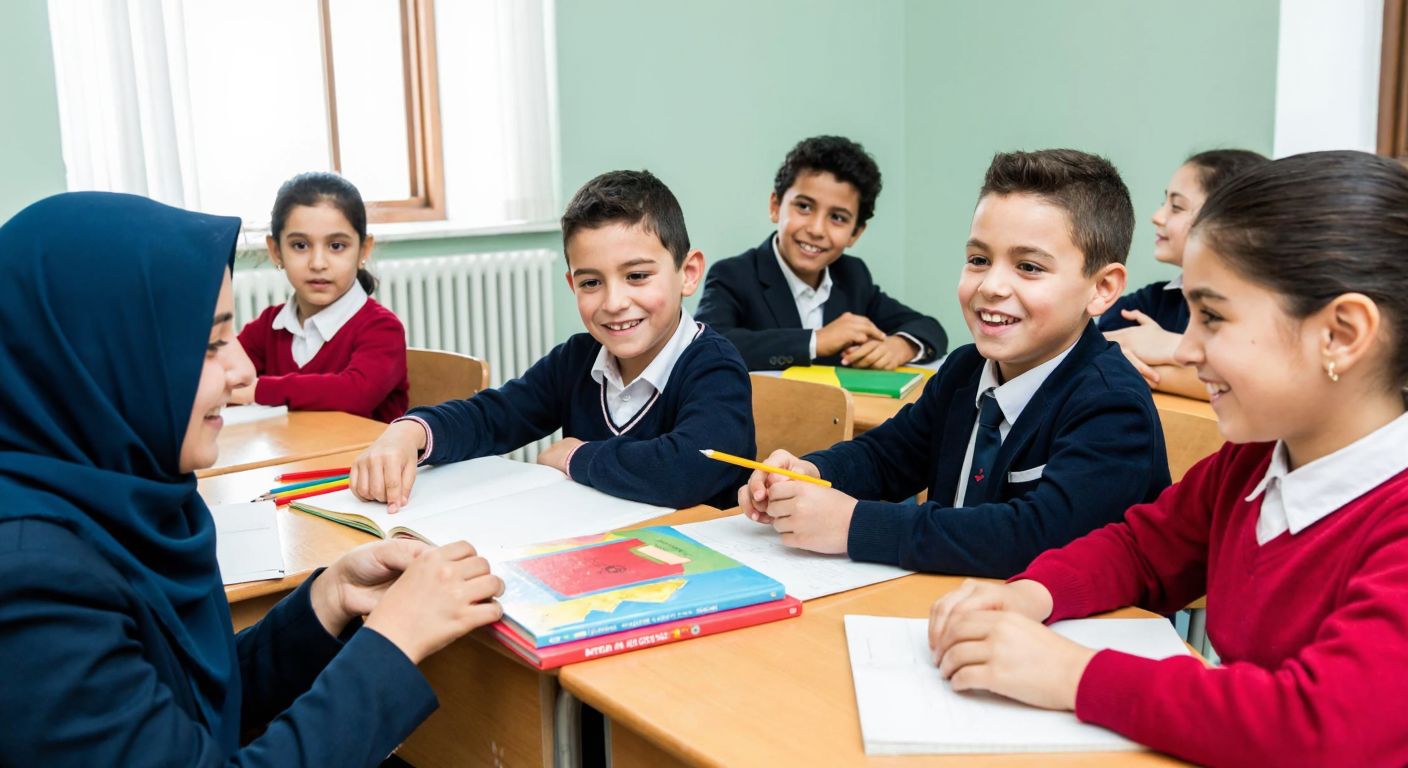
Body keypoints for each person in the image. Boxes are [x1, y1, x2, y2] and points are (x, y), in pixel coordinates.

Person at [929, 151, 1408, 767]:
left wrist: (1075, 676)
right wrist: (1033, 594)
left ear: (1341, 334)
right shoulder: (1254, 461)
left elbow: (1318, 727)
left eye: (1212, 317)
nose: (1184, 348)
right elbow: (1142, 548)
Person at [0, 192, 503, 766]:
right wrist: (392, 643)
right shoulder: (30, 586)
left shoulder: (127, 499)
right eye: (211, 343)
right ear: (101, 359)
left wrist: (327, 597)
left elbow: (187, 705)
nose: (243, 371)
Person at [738, 150, 1169, 577]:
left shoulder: (1112, 405)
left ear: (1102, 289)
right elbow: (888, 455)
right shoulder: (966, 369)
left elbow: (1035, 536)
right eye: (979, 260)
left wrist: (854, 525)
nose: (992, 285)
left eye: (1029, 267)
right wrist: (811, 472)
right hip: (951, 605)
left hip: (1062, 633)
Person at [351, 170, 754, 511]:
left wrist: (576, 456)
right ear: (572, 285)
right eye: (592, 282)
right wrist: (411, 432)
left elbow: (691, 467)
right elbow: (494, 416)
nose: (615, 302)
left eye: (637, 276)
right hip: (601, 553)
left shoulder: (713, 366)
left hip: (694, 569)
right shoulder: (576, 360)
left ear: (688, 272)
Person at [696, 135, 946, 370]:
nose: (816, 229)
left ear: (855, 233)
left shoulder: (853, 276)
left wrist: (902, 345)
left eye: (837, 217)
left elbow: (929, 327)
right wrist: (815, 341)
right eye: (804, 207)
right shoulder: (733, 275)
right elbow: (706, 347)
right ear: (775, 207)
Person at [234, 172, 409, 422]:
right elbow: (221, 377)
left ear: (364, 249)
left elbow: (355, 393)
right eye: (300, 245)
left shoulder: (382, 328)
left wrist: (259, 390)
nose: (318, 263)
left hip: (361, 460)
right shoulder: (267, 328)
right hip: (292, 460)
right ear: (276, 251)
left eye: (336, 246)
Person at [1101, 149, 1268, 395]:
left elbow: (1262, 384)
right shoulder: (1147, 305)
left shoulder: (1266, 311)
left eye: (1176, 207)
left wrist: (1168, 346)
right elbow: (1087, 361)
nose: (1157, 217)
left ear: (1233, 221)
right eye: (1164, 203)